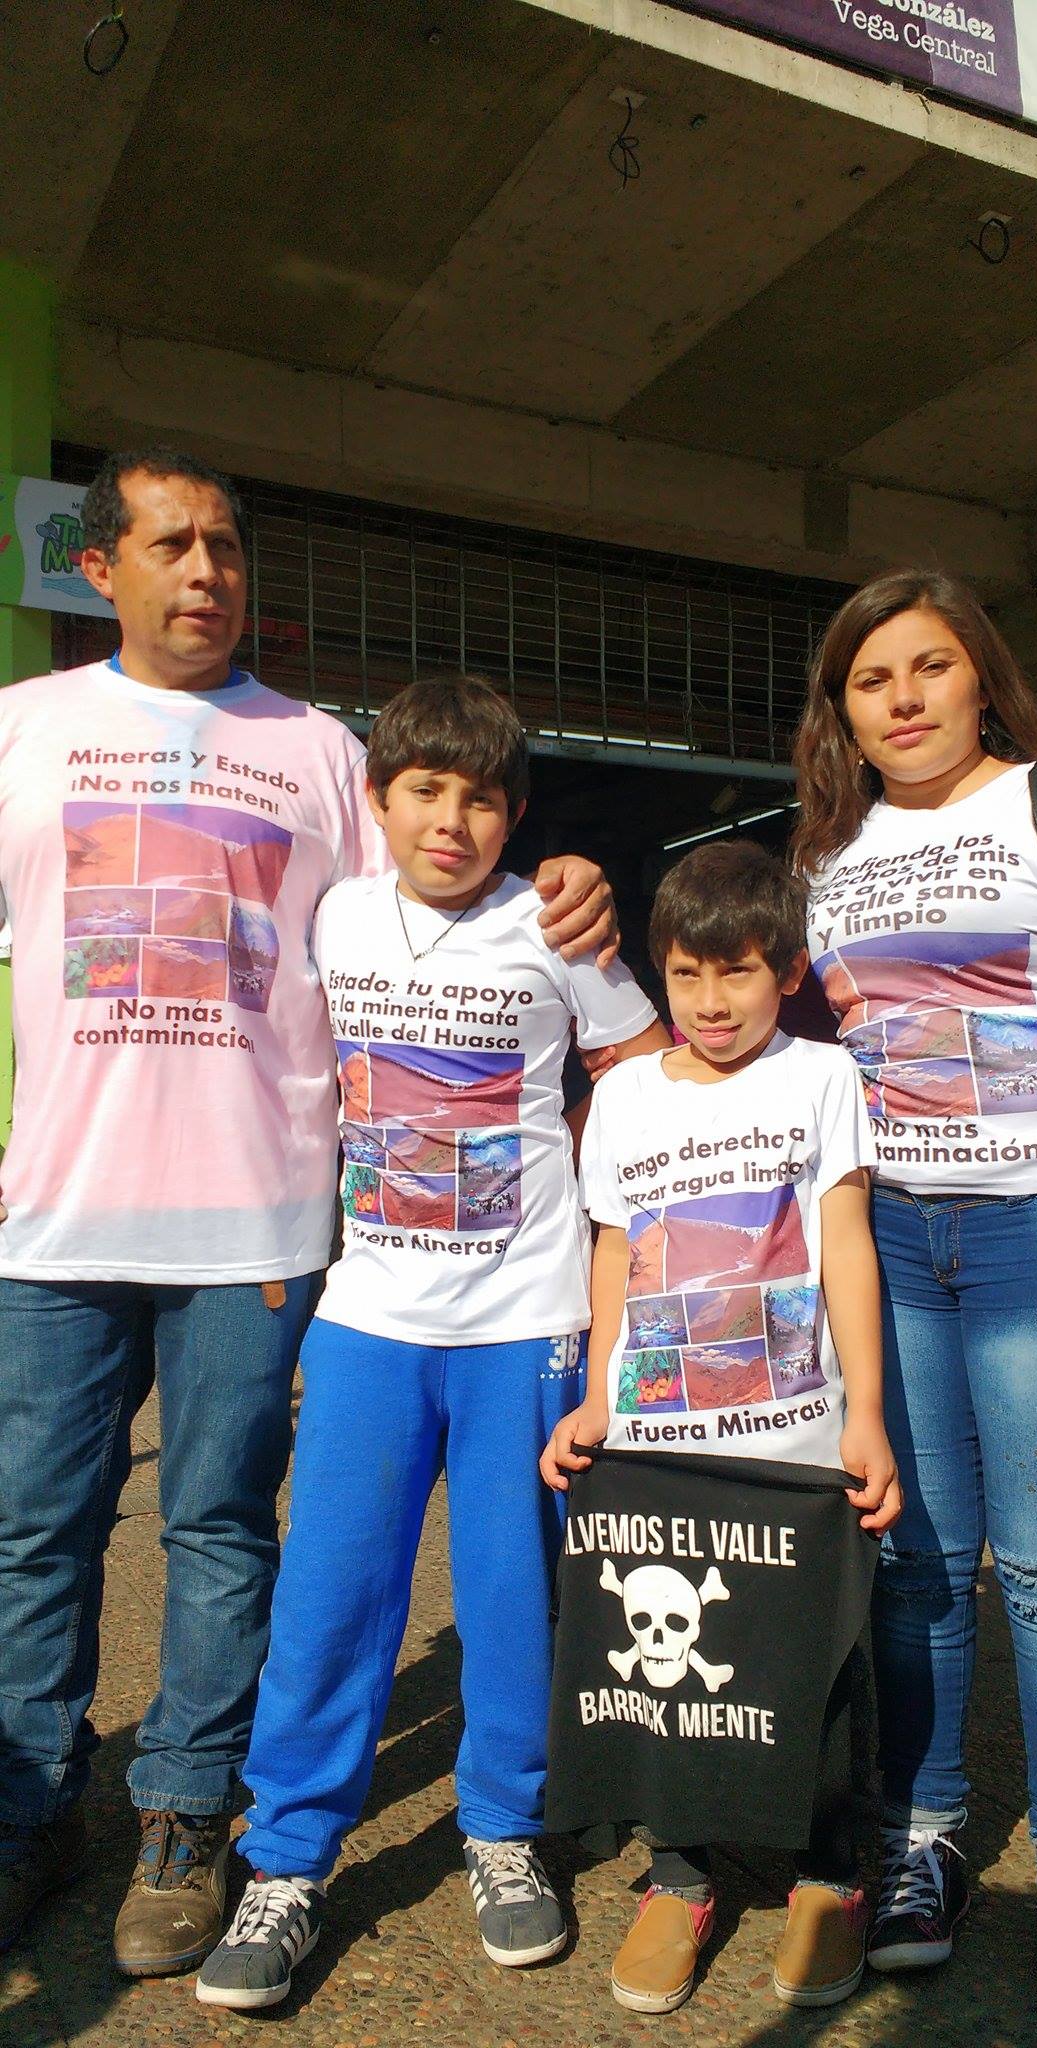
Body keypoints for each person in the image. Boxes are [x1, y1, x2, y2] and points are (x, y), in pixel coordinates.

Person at [0, 448, 617, 1978]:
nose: (205, 570)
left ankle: (188, 1818)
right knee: (33, 1532)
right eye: (171, 544)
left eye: (224, 545)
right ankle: (31, 1812)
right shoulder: (21, 730)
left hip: (260, 1233)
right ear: (101, 566)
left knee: (220, 1533)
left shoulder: (322, 754)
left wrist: (576, 887)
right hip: (55, 1222)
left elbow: (477, 917)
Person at [194, 675, 665, 2012]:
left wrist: (602, 1212)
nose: (451, 820)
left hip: (526, 1322)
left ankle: (504, 1829)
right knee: (331, 1593)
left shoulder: (553, 923)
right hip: (368, 1319)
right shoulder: (334, 914)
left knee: (514, 1596)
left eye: (481, 798)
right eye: (424, 791)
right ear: (379, 799)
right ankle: (288, 1856)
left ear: (514, 814)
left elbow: (640, 1066)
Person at [793, 569, 1037, 2033]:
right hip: (893, 1235)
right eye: (872, 678)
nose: (905, 698)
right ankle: (924, 1837)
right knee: (921, 1564)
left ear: (982, 676)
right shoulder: (831, 851)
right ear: (843, 710)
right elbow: (798, 1045)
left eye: (931, 665)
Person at [540, 838, 901, 2016]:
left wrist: (866, 1414)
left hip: (794, 1440)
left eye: (738, 971)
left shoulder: (822, 1077)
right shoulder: (624, 1096)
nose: (710, 1000)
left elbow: (845, 1243)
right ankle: (679, 1873)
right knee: (670, 1678)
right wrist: (599, 1398)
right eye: (687, 973)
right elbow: (613, 1251)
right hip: (659, 1444)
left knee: (815, 1661)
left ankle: (829, 1874)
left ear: (787, 971)